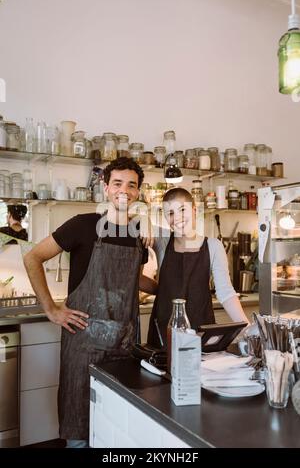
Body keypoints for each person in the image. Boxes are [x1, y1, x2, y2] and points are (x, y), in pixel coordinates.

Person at [23, 157, 156, 448]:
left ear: (138, 193)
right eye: (117, 183)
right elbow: (32, 257)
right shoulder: (83, 225)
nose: (124, 190)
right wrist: (51, 309)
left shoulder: (137, 236)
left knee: (118, 430)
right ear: (106, 188)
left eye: (131, 185)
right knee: (80, 431)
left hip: (124, 347)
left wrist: (163, 287)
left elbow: (136, 281)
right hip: (84, 345)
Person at [147, 187, 249, 348]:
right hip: (165, 332)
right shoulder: (163, 240)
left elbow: (226, 292)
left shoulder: (213, 246)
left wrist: (246, 328)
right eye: (170, 213)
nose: (177, 217)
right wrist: (144, 219)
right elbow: (131, 221)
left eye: (182, 209)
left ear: (194, 210)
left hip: (201, 330)